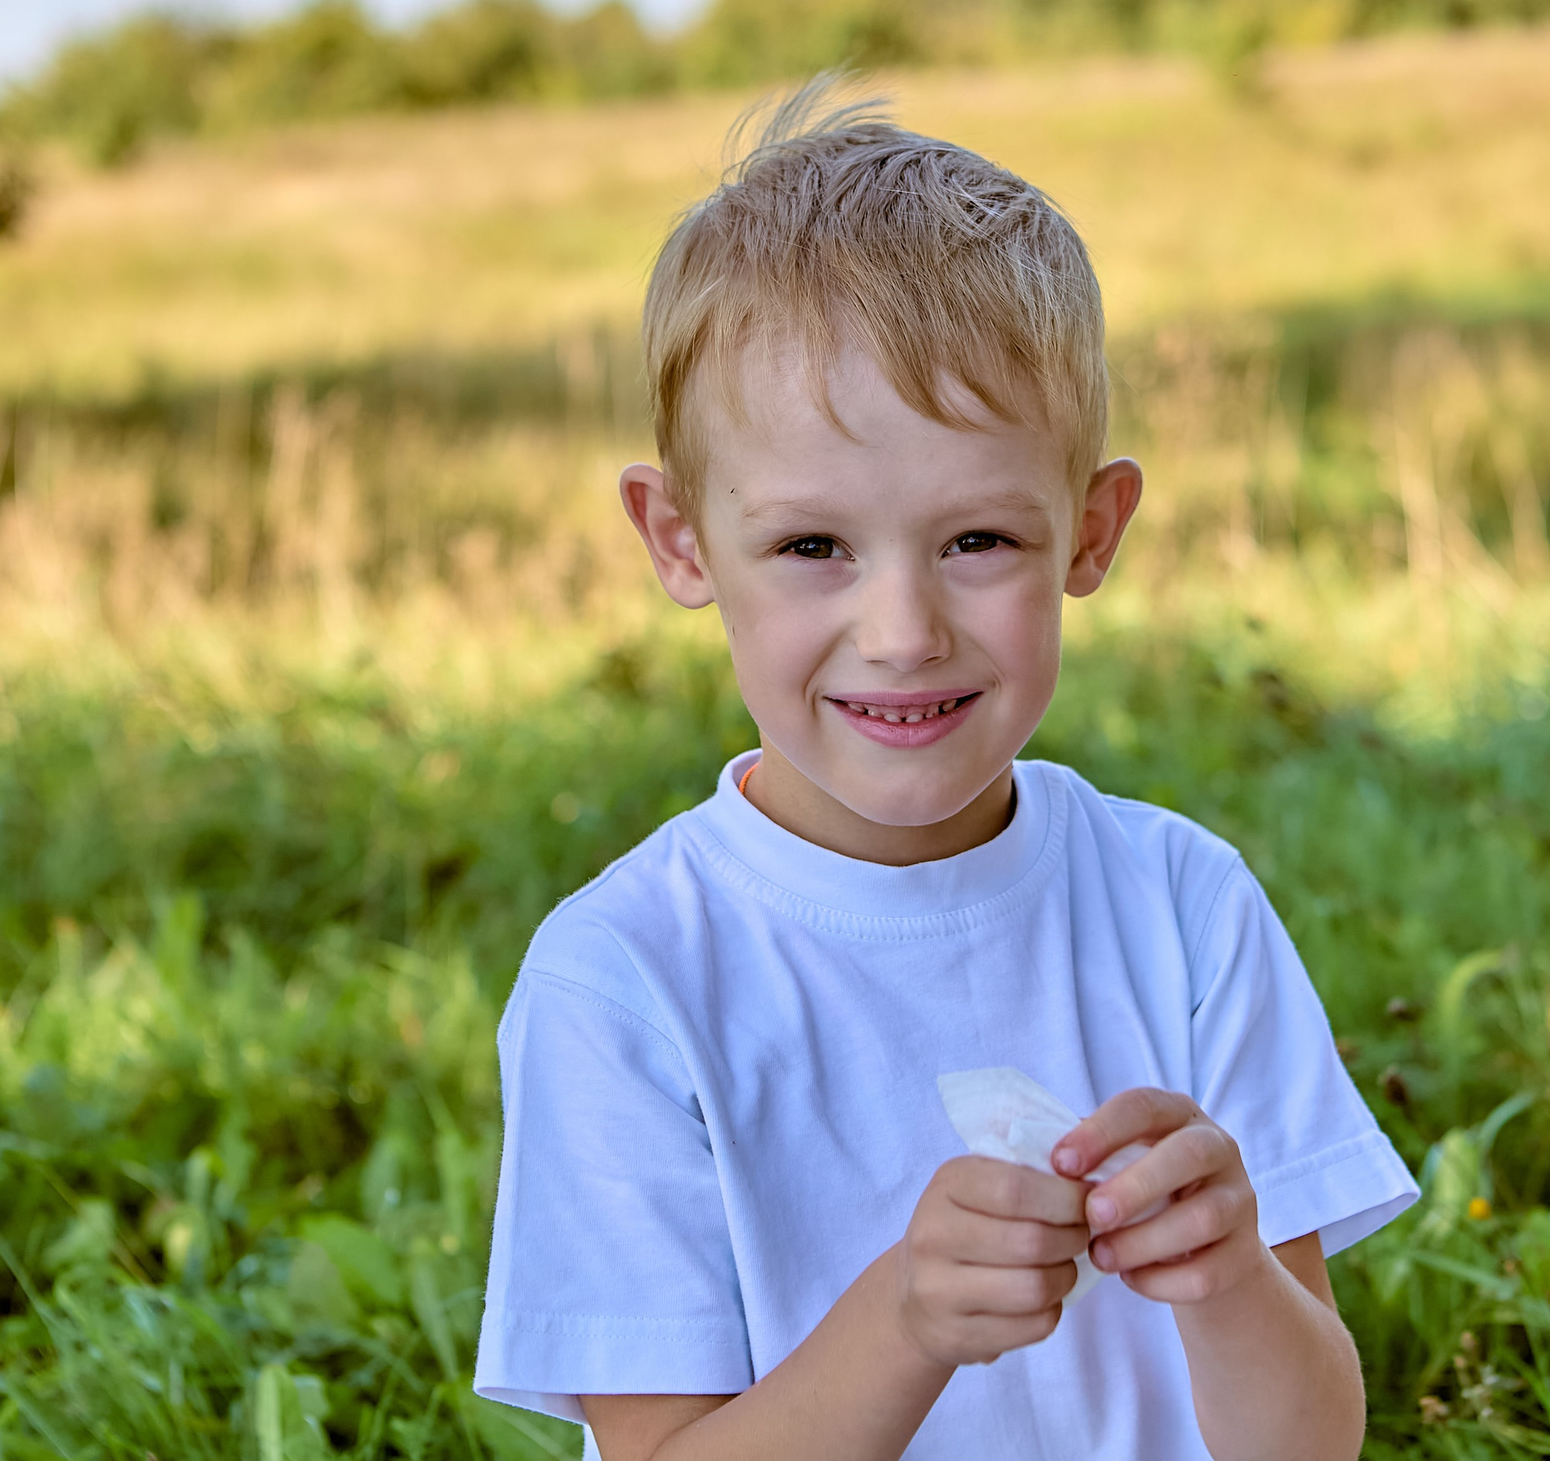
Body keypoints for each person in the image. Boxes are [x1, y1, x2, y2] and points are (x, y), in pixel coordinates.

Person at [474, 81, 1418, 1461]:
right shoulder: (625, 979)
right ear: (680, 541)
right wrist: (906, 1321)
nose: (905, 633)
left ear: (1091, 534)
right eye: (813, 550)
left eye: (978, 541)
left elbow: (1311, 1445)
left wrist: (1228, 1281)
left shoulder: (1181, 907)